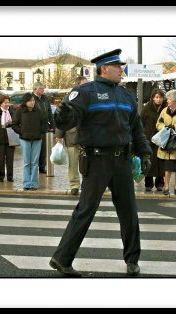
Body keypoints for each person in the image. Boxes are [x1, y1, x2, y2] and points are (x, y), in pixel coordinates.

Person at [49, 49, 152, 277]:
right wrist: (63, 115)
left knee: (129, 212)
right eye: (118, 67)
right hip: (96, 161)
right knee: (85, 210)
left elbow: (136, 129)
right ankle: (61, 259)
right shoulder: (85, 92)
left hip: (122, 161)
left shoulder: (126, 96)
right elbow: (69, 118)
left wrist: (145, 153)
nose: (122, 70)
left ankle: (132, 260)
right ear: (104, 68)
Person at [55, 76, 88, 195]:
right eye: (84, 84)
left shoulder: (89, 98)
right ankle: (74, 185)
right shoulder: (68, 99)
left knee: (86, 163)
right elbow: (60, 118)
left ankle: (86, 184)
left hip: (86, 137)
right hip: (72, 135)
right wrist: (59, 135)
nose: (86, 86)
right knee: (73, 164)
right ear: (77, 85)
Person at [12, 92, 47, 190]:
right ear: (25, 101)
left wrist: (40, 132)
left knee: (35, 163)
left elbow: (44, 123)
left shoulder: (38, 111)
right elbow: (14, 124)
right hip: (24, 139)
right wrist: (21, 132)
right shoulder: (20, 111)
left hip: (37, 139)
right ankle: (27, 183)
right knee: (27, 162)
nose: (32, 102)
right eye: (30, 101)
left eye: (33, 101)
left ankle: (34, 184)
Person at [140, 88, 167, 191]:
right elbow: (141, 123)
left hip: (161, 138)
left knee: (161, 161)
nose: (158, 99)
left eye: (160, 97)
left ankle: (160, 183)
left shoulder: (165, 108)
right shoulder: (147, 108)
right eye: (156, 97)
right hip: (149, 139)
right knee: (149, 160)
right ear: (153, 98)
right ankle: (148, 183)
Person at [32, 82, 55, 174]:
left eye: (43, 88)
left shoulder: (45, 99)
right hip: (35, 127)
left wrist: (52, 125)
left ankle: (42, 167)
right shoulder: (31, 98)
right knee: (35, 149)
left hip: (45, 127)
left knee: (44, 149)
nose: (43, 90)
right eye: (41, 88)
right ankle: (34, 167)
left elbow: (49, 113)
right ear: (35, 89)